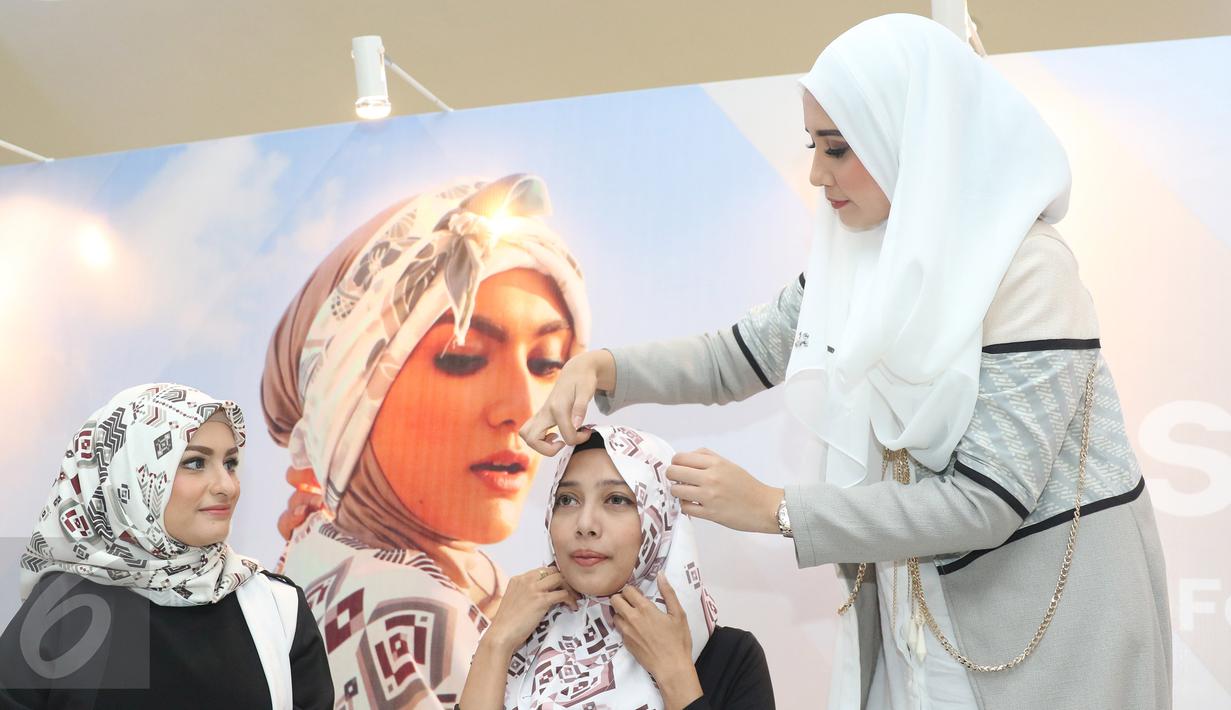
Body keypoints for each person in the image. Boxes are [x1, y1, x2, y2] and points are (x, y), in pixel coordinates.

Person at [520, 14, 1171, 710]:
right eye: (813, 146)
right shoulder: (857, 261)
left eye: (836, 149)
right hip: (913, 622)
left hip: (1050, 631)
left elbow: (989, 499)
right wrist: (600, 367)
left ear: (910, 143)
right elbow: (735, 356)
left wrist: (775, 510)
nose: (814, 173)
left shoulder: (1028, 274)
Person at [262, 173, 591, 709]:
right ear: (350, 399)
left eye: (547, 363)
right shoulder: (407, 613)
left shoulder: (317, 571)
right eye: (462, 358)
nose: (523, 408)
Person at [0, 383, 332, 709]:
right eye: (195, 463)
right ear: (129, 475)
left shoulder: (277, 607)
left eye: (230, 463)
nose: (226, 485)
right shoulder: (65, 609)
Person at [459, 425, 774, 710]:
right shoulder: (521, 645)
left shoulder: (729, 657)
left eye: (617, 500)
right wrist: (495, 643)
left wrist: (675, 674)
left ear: (662, 518)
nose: (585, 525)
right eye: (567, 500)